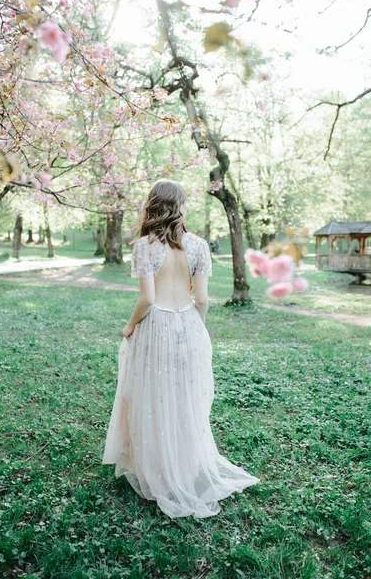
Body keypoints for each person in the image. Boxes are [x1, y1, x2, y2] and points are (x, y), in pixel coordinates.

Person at [102, 179, 260, 519]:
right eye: (184, 202)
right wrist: (196, 326)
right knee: (185, 397)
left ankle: (155, 468)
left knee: (151, 396)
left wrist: (130, 326)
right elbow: (201, 298)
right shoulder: (200, 246)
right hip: (188, 324)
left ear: (154, 206)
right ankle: (185, 465)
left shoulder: (144, 246)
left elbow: (147, 298)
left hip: (155, 326)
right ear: (178, 207)